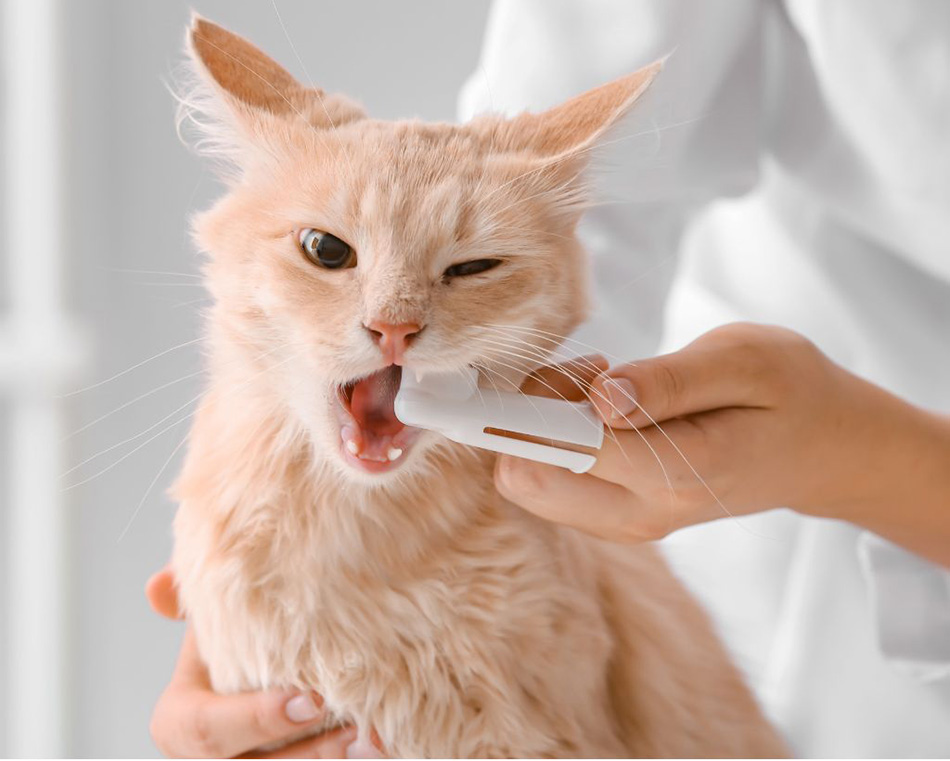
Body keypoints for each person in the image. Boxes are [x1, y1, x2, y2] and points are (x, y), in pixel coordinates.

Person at [148, 0, 950, 755]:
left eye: (468, 268)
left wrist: (857, 457)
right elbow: (572, 206)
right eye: (329, 253)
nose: (393, 321)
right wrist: (269, 569)